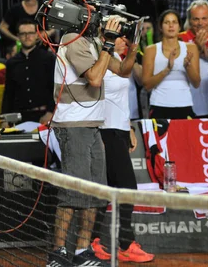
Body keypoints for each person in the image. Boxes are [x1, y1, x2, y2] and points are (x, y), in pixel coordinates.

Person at [47, 0, 138, 267]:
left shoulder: (94, 42)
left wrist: (132, 45)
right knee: (73, 194)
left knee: (95, 193)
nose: (95, 12)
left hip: (94, 127)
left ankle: (83, 251)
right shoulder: (72, 41)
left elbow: (122, 70)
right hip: (73, 127)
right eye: (89, 6)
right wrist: (108, 43)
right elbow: (96, 78)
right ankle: (59, 253)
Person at [90, 36, 154, 264]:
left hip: (118, 129)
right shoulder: (99, 56)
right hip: (104, 130)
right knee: (123, 187)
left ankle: (96, 241)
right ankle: (122, 244)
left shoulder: (117, 59)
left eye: (126, 39)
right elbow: (97, 98)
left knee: (108, 188)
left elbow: (120, 99)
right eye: (119, 37)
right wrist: (98, 133)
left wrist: (128, 127)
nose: (124, 41)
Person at [142, 9, 201, 119]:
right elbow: (147, 85)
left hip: (185, 104)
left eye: (174, 22)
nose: (171, 26)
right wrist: (167, 69)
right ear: (160, 27)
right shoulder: (151, 50)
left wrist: (188, 66)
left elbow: (196, 83)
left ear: (179, 26)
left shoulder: (191, 48)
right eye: (167, 22)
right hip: (159, 105)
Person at [2, 19, 54, 124]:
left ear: (37, 35)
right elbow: (9, 92)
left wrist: (50, 112)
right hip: (19, 118)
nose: (27, 36)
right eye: (23, 33)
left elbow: (55, 88)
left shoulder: (48, 58)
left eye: (30, 33)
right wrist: (5, 118)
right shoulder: (12, 62)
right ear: (18, 36)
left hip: (44, 116)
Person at [179, 0, 208, 118]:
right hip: (189, 96)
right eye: (196, 19)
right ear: (189, 20)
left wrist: (205, 52)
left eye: (204, 18)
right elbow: (179, 64)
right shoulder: (180, 38)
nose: (200, 23)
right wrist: (197, 48)